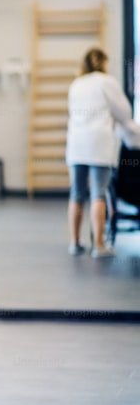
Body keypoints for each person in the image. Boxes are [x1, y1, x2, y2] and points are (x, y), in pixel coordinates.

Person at [66, 47, 140, 258]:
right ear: (103, 63)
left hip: (76, 144)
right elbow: (124, 113)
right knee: (99, 193)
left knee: (76, 193)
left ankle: (75, 242)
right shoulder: (106, 82)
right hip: (98, 143)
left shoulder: (76, 84)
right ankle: (98, 246)